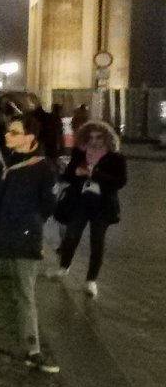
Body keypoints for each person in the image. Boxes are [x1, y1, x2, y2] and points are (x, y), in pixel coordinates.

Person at [0, 114, 60, 371]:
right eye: (8, 131)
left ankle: (32, 348)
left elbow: (48, 205)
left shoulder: (43, 167)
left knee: (25, 295)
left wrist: (28, 223)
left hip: (23, 237)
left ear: (30, 138)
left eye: (14, 132)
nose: (7, 136)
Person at [48, 119, 126, 297]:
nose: (94, 141)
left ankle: (91, 280)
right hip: (80, 201)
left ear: (106, 138)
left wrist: (95, 174)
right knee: (71, 235)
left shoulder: (116, 157)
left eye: (99, 137)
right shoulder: (79, 153)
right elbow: (68, 175)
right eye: (90, 137)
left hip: (102, 204)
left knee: (97, 242)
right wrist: (74, 173)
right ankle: (64, 267)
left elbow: (120, 181)